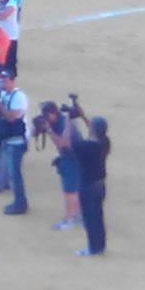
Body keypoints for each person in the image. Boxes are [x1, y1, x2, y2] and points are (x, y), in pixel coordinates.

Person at [0, 70, 30, 215]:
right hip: (8, 138)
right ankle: (16, 200)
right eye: (1, 80)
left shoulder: (19, 97)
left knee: (15, 174)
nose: (2, 83)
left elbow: (12, 117)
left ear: (12, 81)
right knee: (10, 171)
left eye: (5, 80)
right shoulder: (5, 95)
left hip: (17, 141)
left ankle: (20, 204)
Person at [39, 101, 83, 229]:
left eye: (47, 115)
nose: (45, 117)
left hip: (73, 159)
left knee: (69, 190)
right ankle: (79, 214)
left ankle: (68, 219)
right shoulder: (59, 121)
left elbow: (63, 143)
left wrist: (48, 130)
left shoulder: (62, 124)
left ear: (53, 113)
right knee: (75, 188)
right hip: (70, 158)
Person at [74, 115, 112, 256]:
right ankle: (100, 245)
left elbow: (69, 143)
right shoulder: (105, 142)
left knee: (89, 218)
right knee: (98, 216)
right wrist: (82, 115)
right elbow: (94, 132)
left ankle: (93, 248)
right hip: (100, 185)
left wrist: (68, 120)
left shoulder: (86, 147)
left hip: (88, 186)